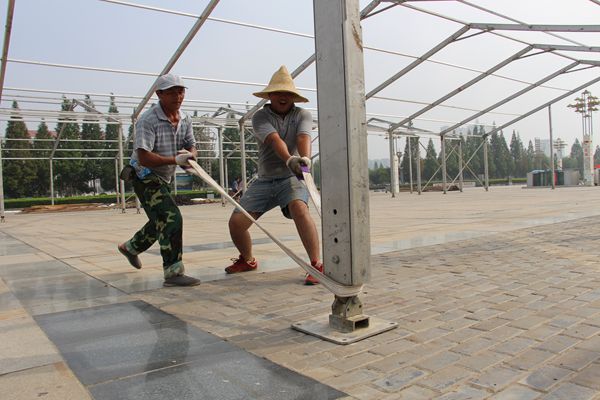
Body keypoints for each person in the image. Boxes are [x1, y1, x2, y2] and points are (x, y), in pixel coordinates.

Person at [225, 65, 323, 285]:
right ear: (270, 95)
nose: (283, 97)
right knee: (237, 223)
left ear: (294, 97)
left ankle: (316, 264)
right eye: (279, 93)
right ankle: (247, 260)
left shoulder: (302, 114)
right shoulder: (260, 117)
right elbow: (274, 140)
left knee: (299, 208)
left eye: (288, 93)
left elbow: (303, 138)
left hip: (293, 177)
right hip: (266, 179)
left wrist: (304, 160)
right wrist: (289, 159)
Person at [118, 73, 200, 287]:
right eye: (172, 92)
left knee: (161, 220)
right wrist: (175, 159)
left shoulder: (185, 119)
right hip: (143, 175)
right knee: (172, 217)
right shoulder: (148, 120)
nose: (178, 96)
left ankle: (131, 247)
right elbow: (144, 157)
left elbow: (191, 144)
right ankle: (173, 272)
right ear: (159, 94)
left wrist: (190, 155)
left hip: (163, 176)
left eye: (181, 91)